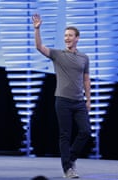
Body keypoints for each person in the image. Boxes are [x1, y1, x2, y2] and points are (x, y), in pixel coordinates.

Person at [32, 13, 92, 178]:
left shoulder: (84, 58)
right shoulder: (58, 54)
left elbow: (86, 79)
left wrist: (89, 99)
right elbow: (39, 47)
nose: (67, 38)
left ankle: (70, 158)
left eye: (70, 36)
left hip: (79, 101)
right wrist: (37, 30)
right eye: (65, 36)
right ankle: (68, 169)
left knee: (85, 132)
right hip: (62, 100)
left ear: (77, 38)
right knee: (65, 134)